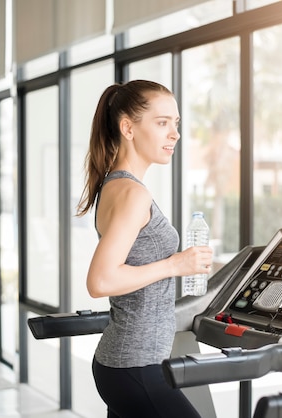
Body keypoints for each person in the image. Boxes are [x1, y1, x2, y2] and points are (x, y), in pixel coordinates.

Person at [77, 80, 213, 418]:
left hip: (128, 363)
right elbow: (101, 281)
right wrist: (175, 265)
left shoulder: (116, 185)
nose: (174, 134)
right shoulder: (132, 193)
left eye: (176, 124)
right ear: (128, 128)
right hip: (134, 366)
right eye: (162, 122)